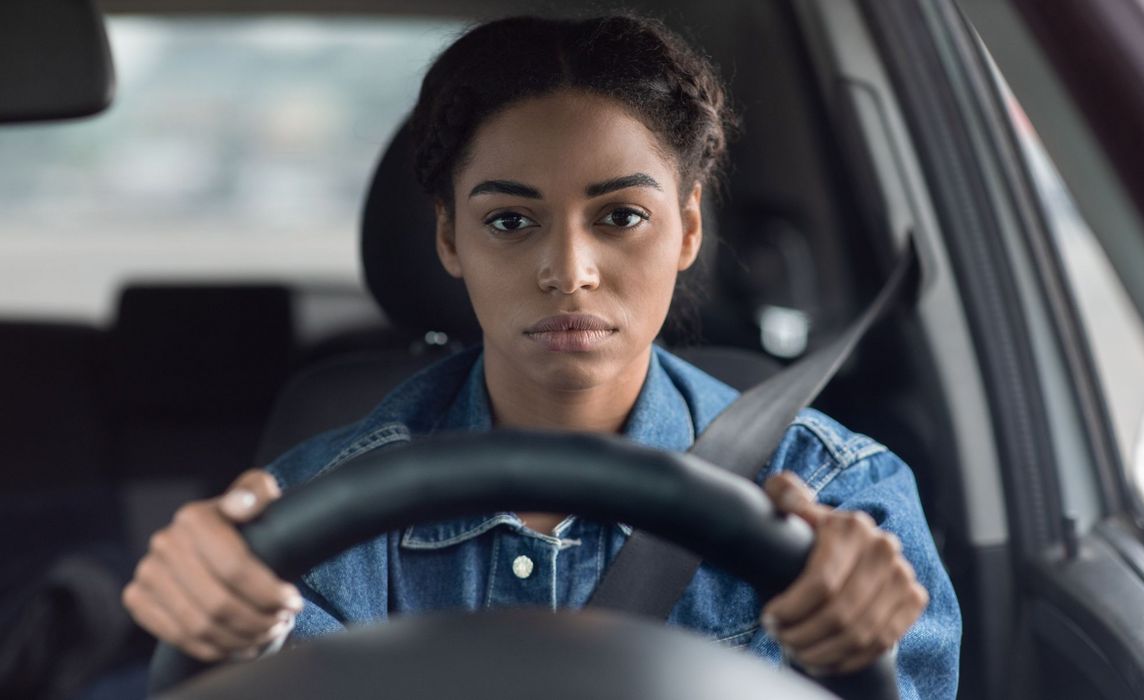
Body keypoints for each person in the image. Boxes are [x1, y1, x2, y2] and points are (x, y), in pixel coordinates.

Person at [122, 14, 961, 699]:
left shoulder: (838, 500)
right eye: (511, 221)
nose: (569, 271)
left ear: (690, 228)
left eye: (621, 216)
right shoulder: (314, 518)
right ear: (450, 237)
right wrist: (223, 621)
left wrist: (847, 641)